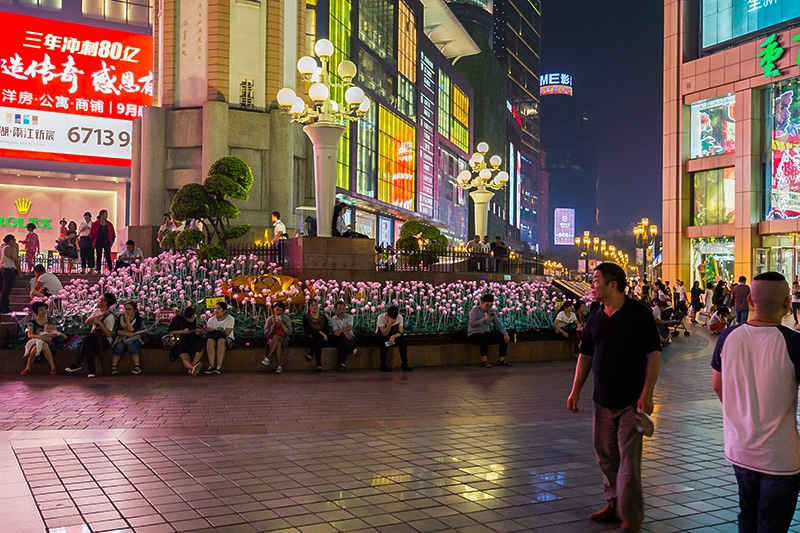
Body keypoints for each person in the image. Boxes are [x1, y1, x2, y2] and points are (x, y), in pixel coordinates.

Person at [567, 263, 661, 533]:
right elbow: (586, 355)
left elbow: (653, 355)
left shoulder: (639, 314)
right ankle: (615, 503)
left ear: (613, 284)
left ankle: (632, 516)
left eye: (596, 280)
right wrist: (576, 391)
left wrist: (648, 393)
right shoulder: (596, 313)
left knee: (628, 460)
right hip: (602, 400)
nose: (591, 284)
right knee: (606, 456)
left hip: (631, 402)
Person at [711, 272, 800, 533]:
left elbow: (717, 385)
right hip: (780, 456)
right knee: (772, 525)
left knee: (748, 516)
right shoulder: (793, 342)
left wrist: (741, 413)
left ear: (750, 300)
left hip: (740, 447)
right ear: (787, 304)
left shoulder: (728, 337)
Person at [65, 292, 117, 377]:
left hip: (105, 341)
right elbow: (87, 322)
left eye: (102, 299)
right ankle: (92, 371)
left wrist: (100, 323)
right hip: (93, 338)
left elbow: (108, 334)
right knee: (89, 345)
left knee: (88, 338)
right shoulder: (96, 311)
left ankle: (78, 362)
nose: (99, 301)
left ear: (105, 303)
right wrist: (99, 316)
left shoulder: (110, 317)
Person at [467, 294, 511, 368]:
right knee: (484, 337)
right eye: (486, 305)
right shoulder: (475, 310)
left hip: (486, 333)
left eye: (490, 306)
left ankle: (501, 359)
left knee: (502, 336)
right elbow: (472, 324)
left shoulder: (491, 311)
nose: (488, 307)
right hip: (475, 334)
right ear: (482, 303)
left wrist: (505, 333)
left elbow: (498, 324)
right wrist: (484, 319)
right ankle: (484, 360)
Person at [21, 302, 61, 375]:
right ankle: (28, 368)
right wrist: (41, 337)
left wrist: (47, 337)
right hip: (36, 340)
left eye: (45, 309)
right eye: (41, 309)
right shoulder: (32, 322)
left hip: (50, 340)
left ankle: (53, 367)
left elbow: (55, 333)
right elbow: (29, 335)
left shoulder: (51, 320)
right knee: (35, 347)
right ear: (37, 311)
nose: (44, 311)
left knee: (44, 345)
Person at [167, 306, 205, 375]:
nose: (193, 319)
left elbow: (193, 329)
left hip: (191, 339)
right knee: (184, 355)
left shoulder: (194, 320)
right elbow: (170, 331)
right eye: (190, 318)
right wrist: (182, 331)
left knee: (201, 346)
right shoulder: (177, 319)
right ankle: (192, 368)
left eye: (194, 317)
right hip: (180, 340)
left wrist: (197, 332)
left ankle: (192, 366)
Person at [111, 301, 144, 375]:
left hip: (134, 339)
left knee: (131, 345)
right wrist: (125, 333)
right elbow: (118, 331)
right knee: (119, 346)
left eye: (130, 309)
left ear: (135, 310)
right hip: (122, 338)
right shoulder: (120, 318)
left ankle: (137, 366)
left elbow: (132, 330)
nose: (127, 311)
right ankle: (114, 366)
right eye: (126, 309)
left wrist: (127, 321)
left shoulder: (138, 319)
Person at [376, 306, 413, 372]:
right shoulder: (381, 318)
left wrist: (393, 336)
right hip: (382, 336)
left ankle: (404, 364)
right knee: (383, 342)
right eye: (391, 318)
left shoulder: (400, 317)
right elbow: (384, 333)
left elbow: (400, 332)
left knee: (402, 341)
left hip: (394, 336)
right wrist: (389, 324)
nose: (393, 320)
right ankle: (383, 365)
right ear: (387, 315)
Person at [203, 302, 234, 374]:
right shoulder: (211, 320)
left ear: (224, 311)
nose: (216, 311)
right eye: (215, 309)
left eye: (219, 309)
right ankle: (211, 366)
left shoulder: (230, 319)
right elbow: (209, 334)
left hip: (227, 339)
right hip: (214, 339)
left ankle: (218, 367)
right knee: (210, 341)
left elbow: (226, 333)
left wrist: (214, 330)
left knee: (221, 340)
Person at [262, 301, 292, 373]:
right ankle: (279, 366)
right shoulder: (270, 319)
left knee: (277, 337)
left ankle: (268, 357)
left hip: (284, 339)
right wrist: (273, 326)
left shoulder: (286, 319)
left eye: (280, 310)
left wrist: (281, 324)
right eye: (276, 310)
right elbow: (266, 334)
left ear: (283, 311)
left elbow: (290, 333)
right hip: (272, 340)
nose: (278, 312)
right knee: (277, 343)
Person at [302, 300, 331, 371]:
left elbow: (327, 329)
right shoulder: (306, 317)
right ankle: (319, 363)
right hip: (309, 338)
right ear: (309, 307)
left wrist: (323, 335)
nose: (315, 307)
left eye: (316, 305)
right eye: (312, 305)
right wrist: (321, 333)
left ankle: (311, 354)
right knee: (317, 338)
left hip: (322, 338)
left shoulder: (323, 317)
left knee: (318, 339)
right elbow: (308, 329)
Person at [330, 300, 357, 368]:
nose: (342, 311)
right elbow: (336, 332)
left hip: (349, 337)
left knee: (342, 342)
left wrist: (342, 331)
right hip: (338, 337)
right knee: (342, 337)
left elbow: (350, 327)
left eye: (343, 309)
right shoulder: (333, 319)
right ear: (336, 310)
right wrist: (345, 332)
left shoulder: (349, 317)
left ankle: (342, 363)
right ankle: (353, 349)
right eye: (339, 309)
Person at [90, 209, 115, 274]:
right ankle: (98, 270)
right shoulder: (96, 223)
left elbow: (112, 233)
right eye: (105, 214)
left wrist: (112, 241)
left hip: (106, 241)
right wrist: (92, 241)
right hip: (98, 241)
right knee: (99, 256)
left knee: (108, 255)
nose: (106, 215)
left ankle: (110, 269)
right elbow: (92, 233)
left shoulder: (109, 224)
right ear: (101, 215)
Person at [0, 235, 20, 314]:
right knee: (6, 290)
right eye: (14, 241)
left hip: (2, 269)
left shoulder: (1, 248)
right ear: (11, 241)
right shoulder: (11, 249)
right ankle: (2, 306)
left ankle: (5, 306)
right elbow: (15, 260)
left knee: (3, 289)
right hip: (9, 270)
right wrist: (19, 271)